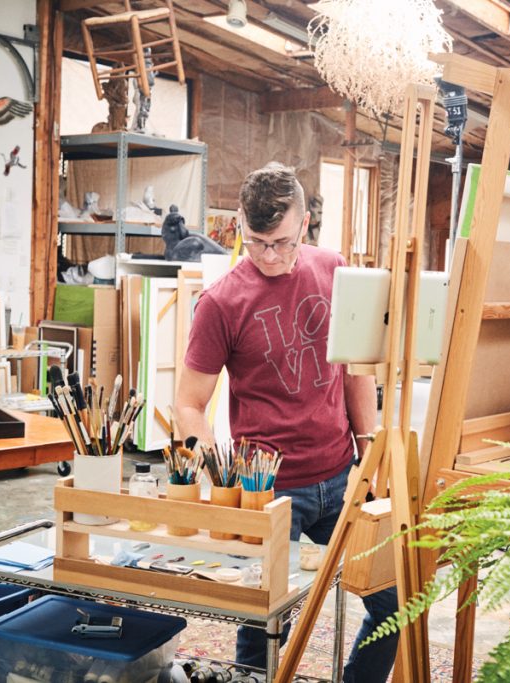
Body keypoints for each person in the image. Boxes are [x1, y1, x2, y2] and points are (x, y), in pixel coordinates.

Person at [175, 163, 399, 681]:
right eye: (256, 242)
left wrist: (370, 454)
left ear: (304, 224)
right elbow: (189, 403)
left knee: (395, 602)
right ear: (238, 225)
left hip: (343, 474)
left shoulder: (335, 270)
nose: (270, 256)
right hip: (269, 488)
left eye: (282, 242)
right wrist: (218, 474)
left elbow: (354, 372)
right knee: (264, 624)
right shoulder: (220, 303)